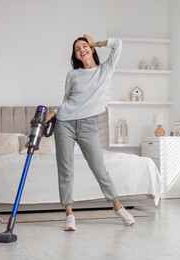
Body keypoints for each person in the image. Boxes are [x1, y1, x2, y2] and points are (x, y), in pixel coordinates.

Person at [45, 34, 135, 231]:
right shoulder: (72, 75)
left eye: (84, 46)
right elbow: (68, 100)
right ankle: (69, 215)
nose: (81, 50)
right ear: (75, 56)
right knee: (66, 169)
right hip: (65, 123)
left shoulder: (105, 69)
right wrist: (54, 112)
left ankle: (118, 207)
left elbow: (118, 44)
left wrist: (96, 42)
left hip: (88, 125)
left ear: (92, 49)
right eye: (77, 49)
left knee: (99, 168)